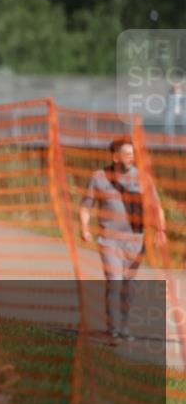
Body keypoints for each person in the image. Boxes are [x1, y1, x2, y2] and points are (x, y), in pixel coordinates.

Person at [79, 138, 166, 341]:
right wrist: (84, 228)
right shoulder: (99, 177)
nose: (130, 157)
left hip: (135, 240)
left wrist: (160, 230)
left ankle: (124, 326)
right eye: (126, 154)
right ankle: (113, 329)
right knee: (115, 282)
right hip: (109, 240)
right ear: (115, 156)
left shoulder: (144, 179)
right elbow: (86, 206)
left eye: (132, 154)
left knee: (128, 284)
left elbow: (156, 207)